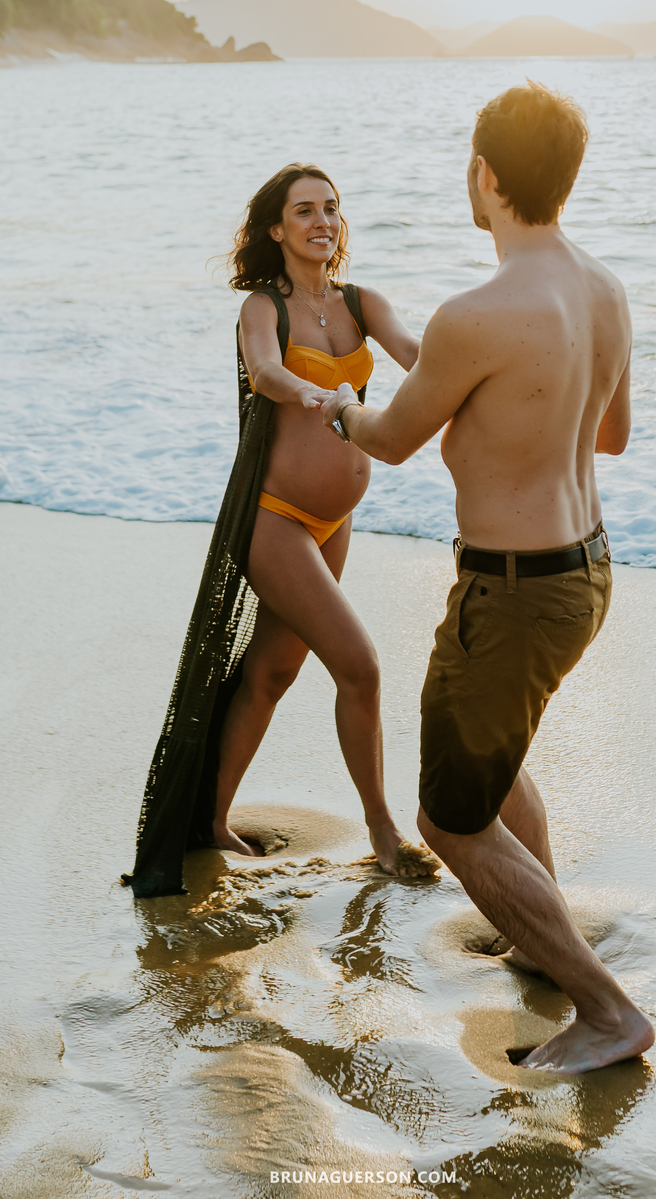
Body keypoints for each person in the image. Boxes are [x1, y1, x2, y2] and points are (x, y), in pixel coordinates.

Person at [319, 82, 655, 1074]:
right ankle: (540, 947)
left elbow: (386, 440)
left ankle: (605, 1010)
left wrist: (334, 406)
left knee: (449, 816)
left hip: (512, 591)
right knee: (495, 770)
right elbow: (614, 434)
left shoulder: (476, 314)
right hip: (585, 571)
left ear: (484, 175)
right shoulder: (604, 288)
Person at [212, 162, 437, 878]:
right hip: (276, 519)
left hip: (332, 522)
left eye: (331, 209)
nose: (321, 222)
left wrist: (477, 367)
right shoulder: (262, 308)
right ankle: (384, 832)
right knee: (361, 668)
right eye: (304, 211)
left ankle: (211, 820)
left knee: (273, 673)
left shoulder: (362, 301)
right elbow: (266, 373)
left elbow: (417, 356)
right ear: (276, 228)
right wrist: (323, 392)